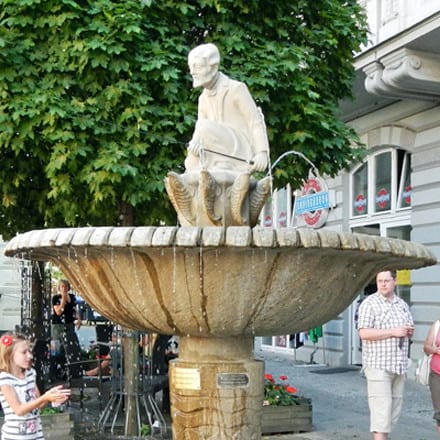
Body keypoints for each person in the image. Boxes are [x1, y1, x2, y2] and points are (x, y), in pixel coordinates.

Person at [185, 43, 269, 174]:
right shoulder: (203, 98)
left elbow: (255, 122)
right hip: (215, 153)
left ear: (213, 68)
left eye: (198, 67)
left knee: (202, 126)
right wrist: (195, 146)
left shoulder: (236, 89)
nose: (192, 72)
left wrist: (262, 153)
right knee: (191, 160)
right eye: (191, 67)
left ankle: (223, 165)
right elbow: (200, 134)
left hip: (239, 151)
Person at [357, 270, 414, 440]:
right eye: (379, 281)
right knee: (381, 415)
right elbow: (364, 333)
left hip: (398, 365)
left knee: (391, 414)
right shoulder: (369, 303)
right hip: (378, 365)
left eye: (386, 280)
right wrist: (393, 332)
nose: (382, 284)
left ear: (394, 281)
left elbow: (407, 327)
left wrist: (408, 332)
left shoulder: (401, 304)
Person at [0, 332, 71, 440]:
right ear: (9, 355)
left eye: (30, 351)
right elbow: (19, 410)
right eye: (24, 352)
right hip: (14, 437)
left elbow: (37, 404)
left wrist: (52, 399)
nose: (30, 356)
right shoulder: (5, 379)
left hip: (36, 435)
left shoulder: (30, 374)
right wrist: (45, 397)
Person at [51, 280, 82, 378]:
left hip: (69, 325)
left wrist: (79, 319)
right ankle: (55, 371)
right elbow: (59, 312)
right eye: (62, 287)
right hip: (58, 326)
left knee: (71, 348)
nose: (64, 289)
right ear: (59, 288)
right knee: (57, 348)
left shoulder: (72, 297)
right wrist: (63, 300)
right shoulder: (56, 298)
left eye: (65, 287)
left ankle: (71, 371)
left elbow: (74, 310)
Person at [423, 320, 440, 436]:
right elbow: (426, 348)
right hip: (437, 375)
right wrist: (436, 350)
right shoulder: (437, 325)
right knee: (439, 414)